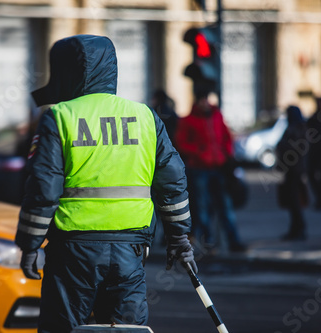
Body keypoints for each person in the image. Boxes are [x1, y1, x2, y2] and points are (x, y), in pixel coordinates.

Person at [15, 35, 196, 333]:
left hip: (73, 253)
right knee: (125, 331)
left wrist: (30, 244)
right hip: (130, 252)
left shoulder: (60, 116)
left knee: (63, 329)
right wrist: (179, 236)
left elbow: (43, 187)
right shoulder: (145, 117)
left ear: (64, 73)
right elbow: (172, 180)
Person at [175, 89, 246, 253]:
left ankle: (233, 241)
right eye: (202, 99)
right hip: (199, 169)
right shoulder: (189, 120)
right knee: (202, 207)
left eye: (206, 99)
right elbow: (181, 142)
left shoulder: (216, 116)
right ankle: (209, 242)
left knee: (225, 206)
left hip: (219, 168)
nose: (205, 102)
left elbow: (227, 137)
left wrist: (226, 154)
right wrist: (198, 151)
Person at [276, 106, 308, 240]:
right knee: (292, 202)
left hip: (294, 170)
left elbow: (292, 149)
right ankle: (296, 229)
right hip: (292, 169)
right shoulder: (295, 128)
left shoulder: (297, 129)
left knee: (294, 202)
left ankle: (298, 229)